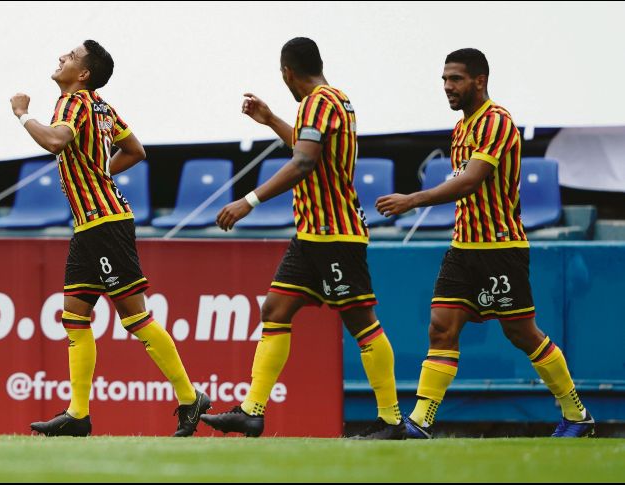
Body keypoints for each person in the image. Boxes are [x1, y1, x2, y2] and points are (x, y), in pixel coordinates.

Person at [375, 48, 594, 439]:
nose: (447, 87)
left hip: (500, 249)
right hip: (464, 248)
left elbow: (472, 180)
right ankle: (420, 422)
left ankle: (576, 414)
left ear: (480, 81)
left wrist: (412, 200)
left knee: (522, 334)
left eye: (455, 79)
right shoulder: (461, 128)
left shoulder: (496, 121)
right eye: (444, 79)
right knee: (441, 328)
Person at [202, 37, 404, 440]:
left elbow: (305, 160)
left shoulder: (316, 101)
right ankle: (252, 411)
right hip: (312, 234)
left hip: (334, 234)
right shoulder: (336, 100)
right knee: (275, 310)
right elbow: (307, 145)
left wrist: (250, 200)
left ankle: (392, 421)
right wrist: (272, 119)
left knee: (362, 323)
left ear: (287, 73)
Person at [9, 40, 210, 437]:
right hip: (90, 225)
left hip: (105, 223)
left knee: (136, 318)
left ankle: (191, 398)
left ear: (82, 74)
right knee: (74, 316)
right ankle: (78, 414)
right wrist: (101, 173)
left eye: (68, 57)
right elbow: (135, 150)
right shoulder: (101, 106)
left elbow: (54, 141)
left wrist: (21, 114)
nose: (60, 57)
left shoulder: (72, 103)